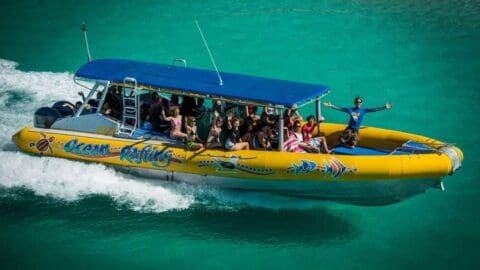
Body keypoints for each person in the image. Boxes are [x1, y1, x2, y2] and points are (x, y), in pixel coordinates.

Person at [324, 97, 392, 148]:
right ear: (355, 103)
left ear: (361, 103)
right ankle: (329, 148)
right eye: (357, 102)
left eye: (359, 102)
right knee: (340, 140)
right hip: (349, 129)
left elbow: (374, 109)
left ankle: (344, 144)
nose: (358, 103)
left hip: (356, 130)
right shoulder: (350, 109)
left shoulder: (364, 110)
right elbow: (340, 109)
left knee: (352, 146)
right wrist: (331, 105)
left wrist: (384, 107)